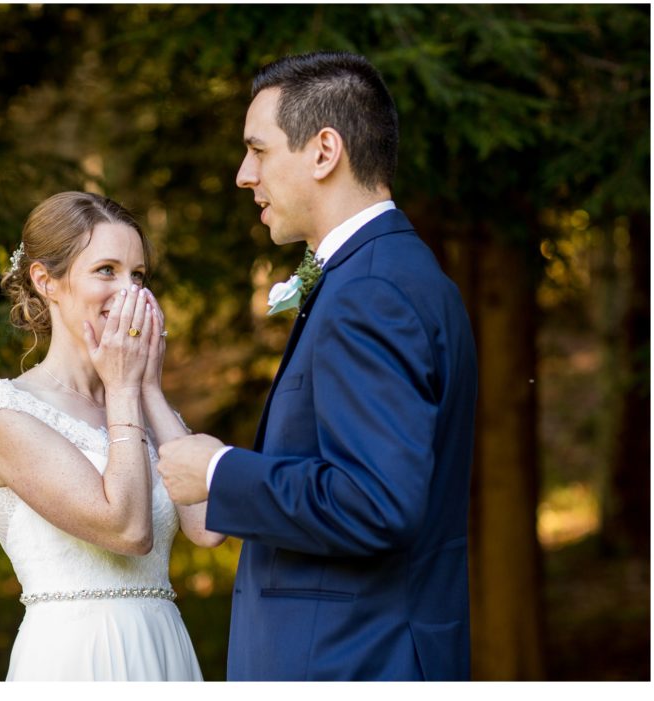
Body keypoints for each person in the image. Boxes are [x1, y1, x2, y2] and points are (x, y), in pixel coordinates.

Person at [157, 51, 478, 680]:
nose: (243, 174)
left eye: (259, 150)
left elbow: (376, 501)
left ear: (324, 151)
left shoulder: (372, 291)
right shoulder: (389, 273)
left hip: (351, 662)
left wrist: (220, 473)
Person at [0, 191, 224, 681]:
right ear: (47, 281)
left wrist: (148, 388)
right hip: (74, 657)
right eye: (106, 270)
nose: (129, 292)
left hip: (163, 648)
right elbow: (127, 530)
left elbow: (210, 526)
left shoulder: (138, 399)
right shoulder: (6, 413)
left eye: (138, 275)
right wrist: (125, 389)